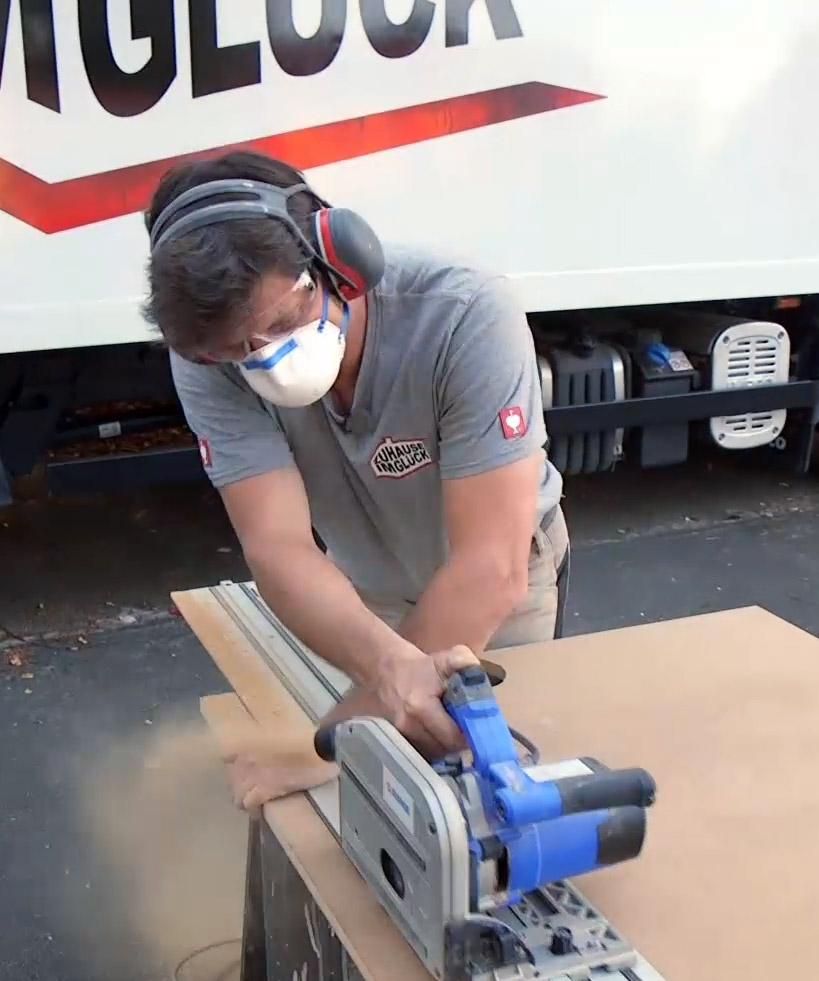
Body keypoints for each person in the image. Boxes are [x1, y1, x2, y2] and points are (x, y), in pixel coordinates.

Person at [140, 150, 570, 810]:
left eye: (282, 323)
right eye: (237, 350)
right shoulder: (206, 353)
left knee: (500, 790)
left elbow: (492, 564)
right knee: (392, 800)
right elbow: (278, 545)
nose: (267, 360)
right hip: (367, 590)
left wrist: (339, 741)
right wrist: (385, 675)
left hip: (501, 587)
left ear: (337, 261)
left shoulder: (463, 312)